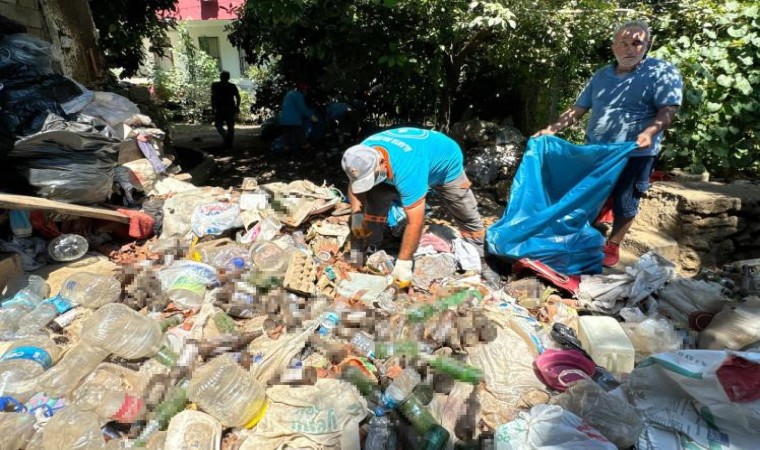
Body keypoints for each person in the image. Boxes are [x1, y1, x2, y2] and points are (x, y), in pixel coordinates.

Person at [534, 20, 683, 267]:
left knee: (626, 200)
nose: (629, 49)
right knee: (589, 194)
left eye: (636, 43)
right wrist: (552, 129)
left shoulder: (662, 72)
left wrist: (649, 132)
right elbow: (578, 108)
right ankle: (578, 235)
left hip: (635, 152)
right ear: (613, 46)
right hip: (598, 151)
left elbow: (668, 109)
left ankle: (613, 244)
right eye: (623, 43)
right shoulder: (602, 75)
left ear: (647, 45)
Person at [341, 127, 486, 288]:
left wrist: (404, 262)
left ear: (382, 162)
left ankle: (482, 262)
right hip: (406, 162)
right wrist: (357, 215)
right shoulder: (360, 156)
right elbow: (355, 186)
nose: (369, 182)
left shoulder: (408, 169)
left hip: (445, 162)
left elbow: (415, 222)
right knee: (375, 201)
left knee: (465, 212)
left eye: (371, 177)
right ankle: (372, 251)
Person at [279, 81, 319, 153]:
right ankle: (308, 150)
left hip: (284, 120)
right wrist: (313, 116)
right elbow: (303, 109)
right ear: (303, 90)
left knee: (287, 136)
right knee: (300, 135)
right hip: (293, 120)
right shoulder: (298, 95)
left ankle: (286, 152)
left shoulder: (290, 94)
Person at [211, 71, 241, 149]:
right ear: (228, 77)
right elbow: (238, 97)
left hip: (220, 108)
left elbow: (213, 97)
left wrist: (213, 108)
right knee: (230, 126)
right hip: (230, 108)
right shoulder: (232, 86)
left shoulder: (215, 85)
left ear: (220, 77)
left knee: (218, 125)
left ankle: (227, 140)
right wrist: (237, 107)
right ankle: (229, 142)